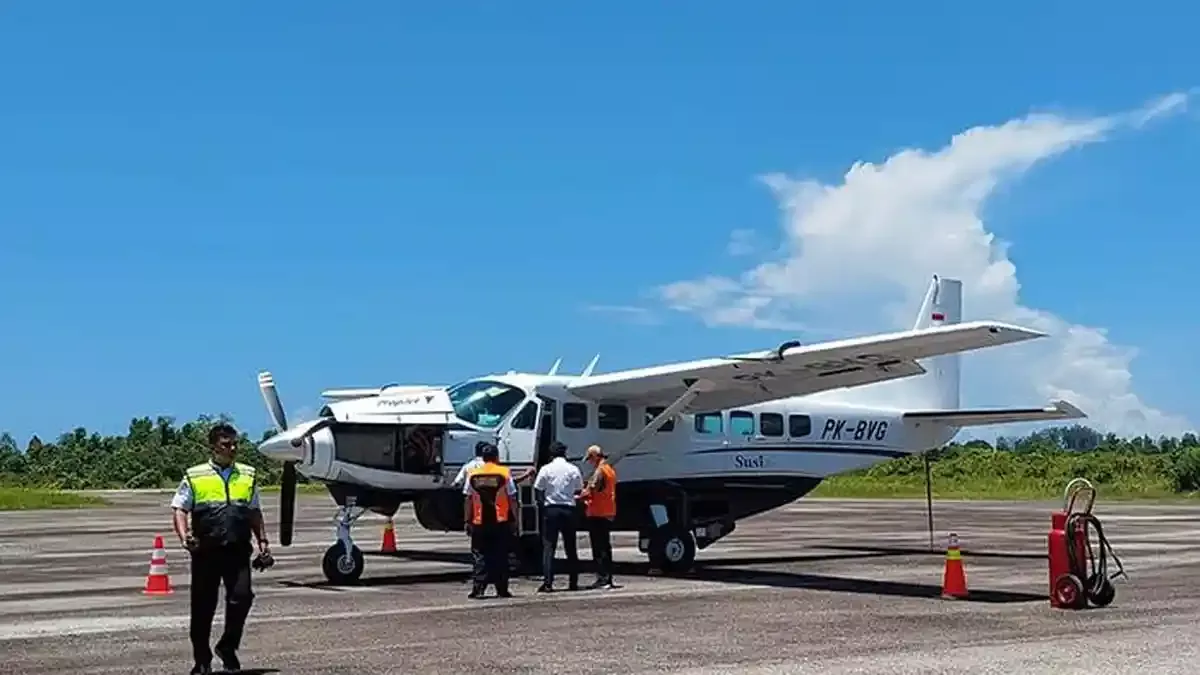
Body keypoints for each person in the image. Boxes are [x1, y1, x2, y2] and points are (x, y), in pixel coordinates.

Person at [170, 423, 270, 675]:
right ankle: (202, 660)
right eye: (226, 444)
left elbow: (254, 511)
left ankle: (227, 647)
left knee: (242, 598)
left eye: (235, 443)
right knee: (203, 606)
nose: (233, 449)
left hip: (237, 549)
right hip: (206, 551)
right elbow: (180, 509)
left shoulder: (247, 474)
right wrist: (185, 537)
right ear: (213, 447)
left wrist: (264, 543)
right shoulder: (195, 475)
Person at [462, 442, 519, 599]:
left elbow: (468, 499)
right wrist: (515, 520)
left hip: (479, 520)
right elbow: (512, 498)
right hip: (501, 520)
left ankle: (478, 588)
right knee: (500, 554)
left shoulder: (473, 474)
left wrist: (467, 520)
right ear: (497, 457)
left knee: (480, 555)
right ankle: (502, 589)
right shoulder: (504, 473)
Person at [532, 441, 583, 592]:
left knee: (549, 547)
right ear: (565, 453)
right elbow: (579, 490)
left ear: (551, 454)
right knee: (571, 547)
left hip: (551, 509)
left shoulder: (546, 469)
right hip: (568, 509)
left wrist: (543, 507)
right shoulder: (573, 469)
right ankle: (573, 582)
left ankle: (548, 583)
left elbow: (538, 489)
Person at [580, 444, 617, 589]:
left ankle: (603, 578)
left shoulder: (599, 471)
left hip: (597, 513)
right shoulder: (610, 470)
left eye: (590, 458)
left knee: (599, 548)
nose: (589, 462)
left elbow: (592, 489)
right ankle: (607, 578)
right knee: (606, 547)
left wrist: (580, 495)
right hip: (608, 511)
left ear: (595, 457)